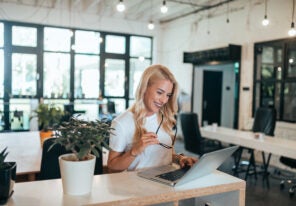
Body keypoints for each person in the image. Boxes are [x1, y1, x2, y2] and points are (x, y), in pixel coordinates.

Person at [107, 64, 197, 172]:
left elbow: (166, 154)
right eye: (159, 92)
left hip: (166, 181)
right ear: (144, 88)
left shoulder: (164, 117)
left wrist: (180, 158)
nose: (164, 100)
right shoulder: (121, 123)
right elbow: (112, 166)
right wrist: (134, 151)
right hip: (140, 186)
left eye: (168, 95)